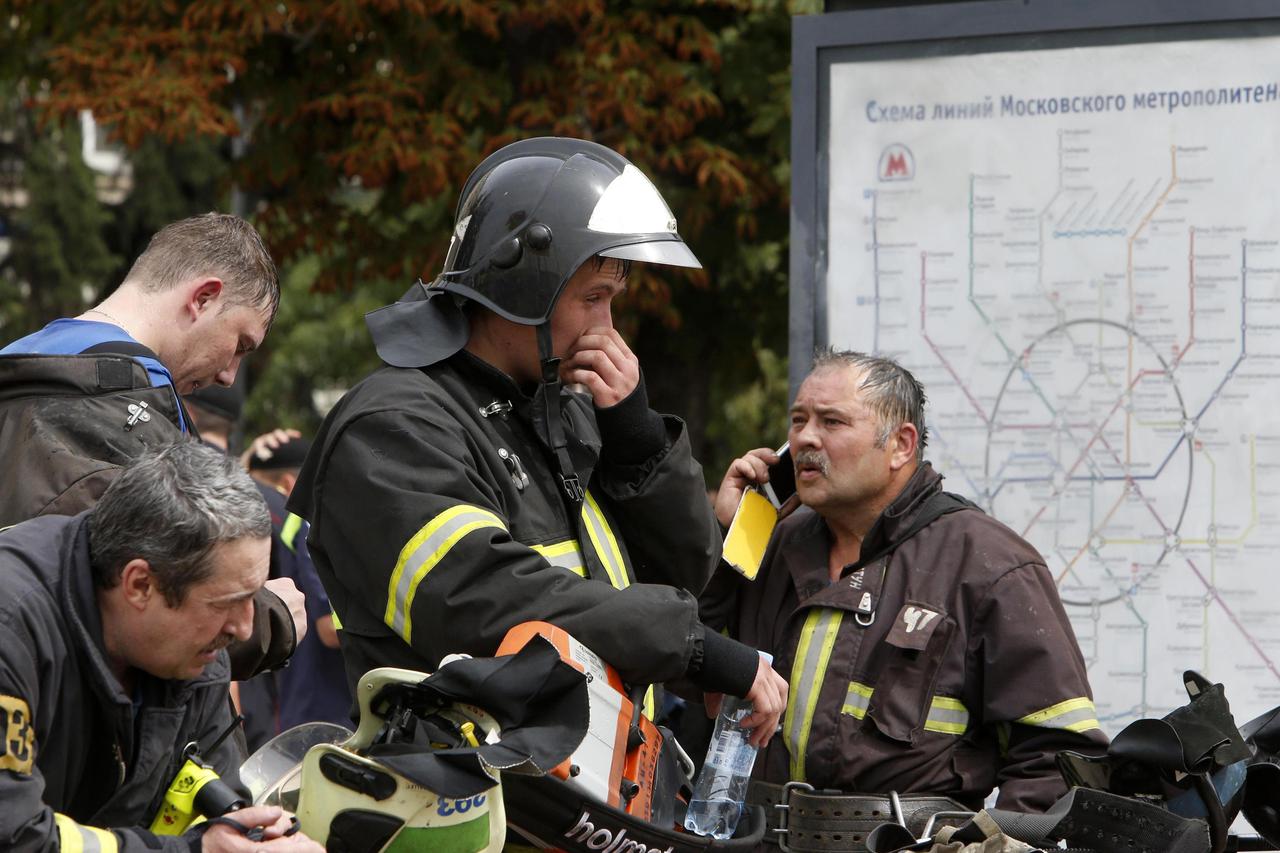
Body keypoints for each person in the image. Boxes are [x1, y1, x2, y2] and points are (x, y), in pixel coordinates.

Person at [289, 137, 787, 750]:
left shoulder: (558, 411)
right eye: (593, 299)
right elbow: (484, 601)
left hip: (575, 793)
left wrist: (638, 442)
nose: (607, 327)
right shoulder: (392, 425)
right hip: (455, 799)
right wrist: (696, 650)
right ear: (525, 288)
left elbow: (687, 577)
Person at [704, 349, 1109, 838]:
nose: (806, 438)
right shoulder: (772, 540)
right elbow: (691, 673)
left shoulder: (989, 564)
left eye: (832, 422)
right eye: (798, 420)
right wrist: (729, 536)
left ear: (900, 445)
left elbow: (1056, 760)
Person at [0, 213, 303, 682]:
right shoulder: (130, 422)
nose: (229, 375)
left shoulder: (24, 376)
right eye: (241, 344)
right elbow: (155, 619)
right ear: (204, 298)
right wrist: (270, 617)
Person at [0, 441, 322, 852]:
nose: (244, 629)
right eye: (226, 603)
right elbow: (14, 838)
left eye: (253, 597)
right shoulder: (12, 629)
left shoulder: (193, 653)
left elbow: (218, 810)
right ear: (139, 584)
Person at [247, 435, 353, 733]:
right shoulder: (311, 527)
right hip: (323, 714)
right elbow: (330, 629)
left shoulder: (298, 526)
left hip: (301, 706)